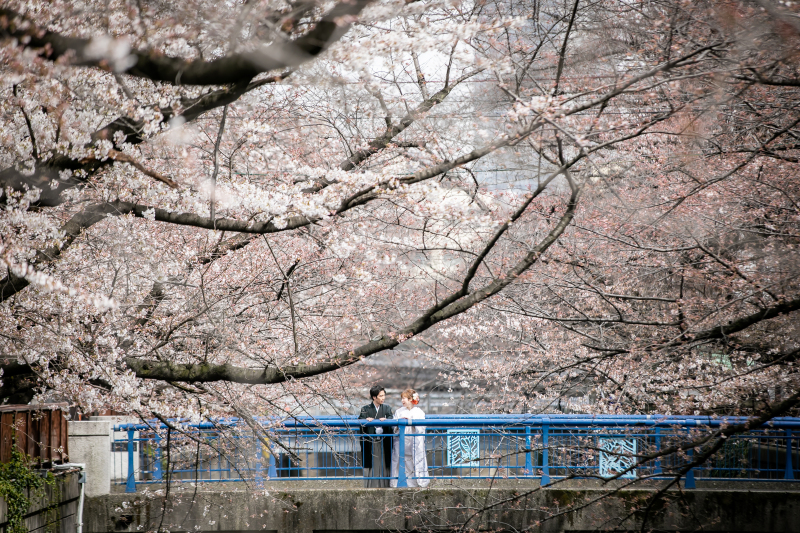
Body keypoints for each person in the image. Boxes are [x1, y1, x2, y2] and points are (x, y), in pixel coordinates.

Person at [390, 389, 429, 488]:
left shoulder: (419, 412)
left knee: (414, 462)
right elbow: (393, 427)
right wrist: (398, 425)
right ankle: (397, 482)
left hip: (413, 441)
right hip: (401, 441)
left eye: (405, 398)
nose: (403, 400)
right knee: (400, 461)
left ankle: (416, 483)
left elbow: (422, 427)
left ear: (411, 399)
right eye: (402, 398)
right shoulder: (398, 411)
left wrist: (412, 423)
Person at [358, 385, 393, 487]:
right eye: (380, 396)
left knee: (384, 462)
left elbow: (391, 418)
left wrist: (387, 421)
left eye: (383, 395)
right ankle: (371, 485)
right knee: (371, 462)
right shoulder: (365, 409)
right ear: (374, 397)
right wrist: (366, 421)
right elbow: (361, 421)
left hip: (383, 440)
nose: (383, 398)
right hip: (371, 441)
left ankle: (385, 484)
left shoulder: (387, 408)